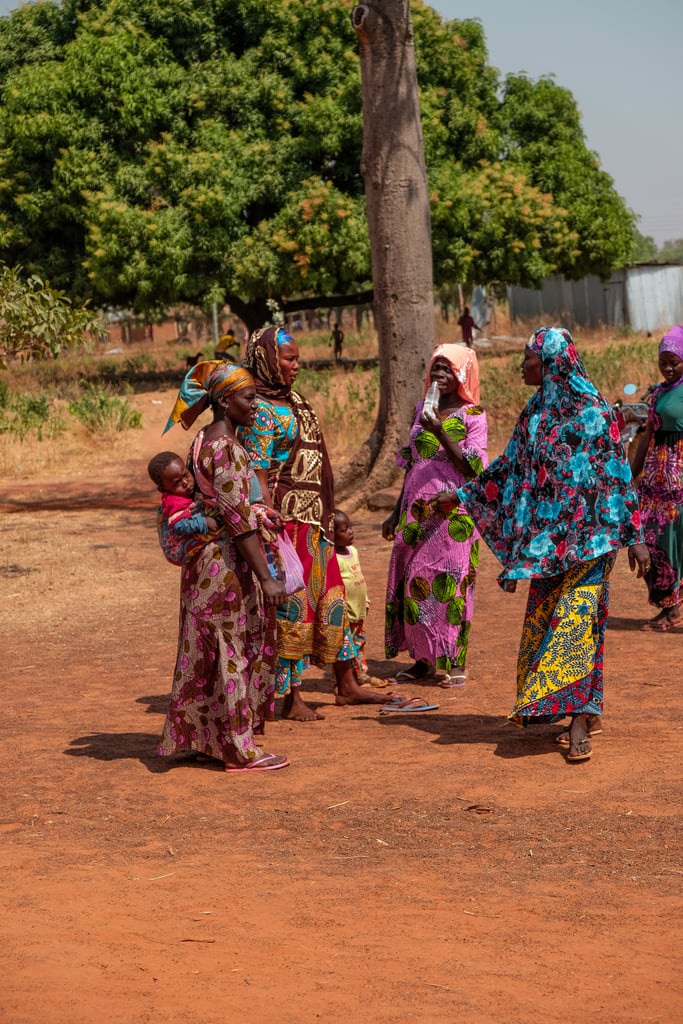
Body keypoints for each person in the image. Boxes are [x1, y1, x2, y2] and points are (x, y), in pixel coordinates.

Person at [456, 326, 650, 763]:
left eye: (528, 358)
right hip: (548, 545)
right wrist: (465, 494)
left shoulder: (594, 412)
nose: (522, 366)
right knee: (549, 621)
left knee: (576, 620)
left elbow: (617, 475)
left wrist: (634, 538)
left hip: (593, 539)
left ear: (550, 363)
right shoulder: (535, 415)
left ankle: (579, 719)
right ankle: (584, 704)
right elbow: (508, 468)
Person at [239, 325, 392, 720]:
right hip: (287, 525)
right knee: (293, 610)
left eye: (297, 359)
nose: (296, 366)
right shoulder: (256, 409)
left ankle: (346, 684)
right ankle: (291, 698)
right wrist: (271, 529)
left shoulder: (293, 401)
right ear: (267, 359)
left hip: (314, 523)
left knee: (332, 602)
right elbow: (258, 473)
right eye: (289, 358)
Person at [158, 360, 290, 771]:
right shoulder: (228, 448)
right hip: (226, 568)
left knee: (206, 648)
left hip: (202, 566)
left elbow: (222, 504)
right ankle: (238, 748)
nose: (255, 405)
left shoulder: (201, 440)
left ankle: (207, 739)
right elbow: (235, 520)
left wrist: (255, 513)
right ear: (223, 399)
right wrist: (266, 577)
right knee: (232, 649)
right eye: (248, 398)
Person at [382, 344, 488, 688]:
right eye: (436, 368)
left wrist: (440, 429)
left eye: (448, 369)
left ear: (462, 375)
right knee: (415, 583)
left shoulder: (474, 416)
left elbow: (473, 469)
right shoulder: (420, 410)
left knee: (452, 584)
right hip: (416, 511)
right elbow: (411, 463)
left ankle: (454, 659)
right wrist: (396, 511)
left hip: (453, 512)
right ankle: (423, 659)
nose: (440, 374)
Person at [630, 324, 683, 631]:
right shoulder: (658, 394)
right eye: (663, 362)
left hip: (678, 478)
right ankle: (667, 604)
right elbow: (647, 438)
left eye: (674, 361)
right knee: (652, 539)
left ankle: (673, 610)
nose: (667, 367)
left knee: (675, 542)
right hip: (655, 478)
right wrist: (630, 477)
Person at [333, 509, 390, 688]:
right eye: (343, 530)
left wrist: (365, 600)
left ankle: (361, 674)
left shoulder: (353, 551)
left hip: (358, 611)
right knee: (345, 648)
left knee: (359, 643)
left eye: (350, 527)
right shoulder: (332, 557)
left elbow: (359, 577)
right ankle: (349, 680)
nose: (350, 532)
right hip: (345, 614)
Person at [147, 451, 220, 566]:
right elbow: (178, 525)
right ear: (163, 489)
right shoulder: (174, 502)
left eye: (186, 475)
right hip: (178, 550)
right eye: (177, 483)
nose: (185, 483)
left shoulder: (184, 494)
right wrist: (204, 522)